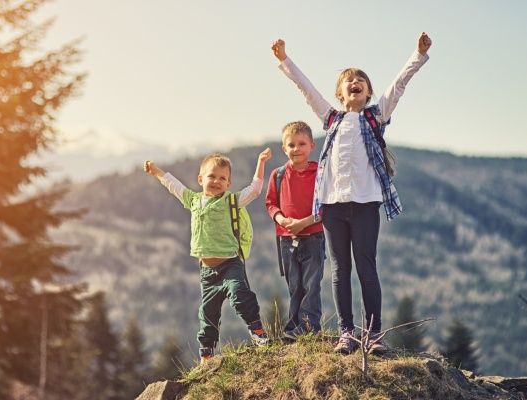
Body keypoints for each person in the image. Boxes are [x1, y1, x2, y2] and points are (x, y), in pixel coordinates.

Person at [271, 32, 432, 354]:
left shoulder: (375, 116)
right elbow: (306, 89)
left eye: (361, 79)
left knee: (366, 267)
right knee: (340, 269)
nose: (354, 82)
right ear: (339, 94)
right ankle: (346, 332)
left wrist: (418, 54)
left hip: (365, 204)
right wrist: (285, 60)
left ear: (368, 91)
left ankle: (373, 335)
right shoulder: (330, 118)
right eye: (348, 80)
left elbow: (398, 85)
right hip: (332, 207)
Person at [144, 148, 272, 363]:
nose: (216, 181)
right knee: (208, 313)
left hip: (231, 264)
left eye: (223, 178)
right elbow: (174, 186)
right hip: (207, 272)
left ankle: (258, 332)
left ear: (229, 184)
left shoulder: (231, 201)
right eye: (212, 176)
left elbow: (255, 190)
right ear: (200, 179)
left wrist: (260, 162)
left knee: (240, 295)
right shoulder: (193, 200)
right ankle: (207, 353)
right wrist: (156, 171)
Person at [265, 121, 325, 339]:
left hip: (313, 237)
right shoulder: (278, 175)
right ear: (284, 148)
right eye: (291, 145)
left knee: (311, 284)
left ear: (311, 146)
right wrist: (281, 219)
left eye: (301, 144)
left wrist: (305, 222)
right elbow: (271, 203)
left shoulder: (320, 173)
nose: (296, 149)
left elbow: (327, 205)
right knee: (294, 285)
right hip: (287, 240)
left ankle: (309, 326)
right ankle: (293, 328)